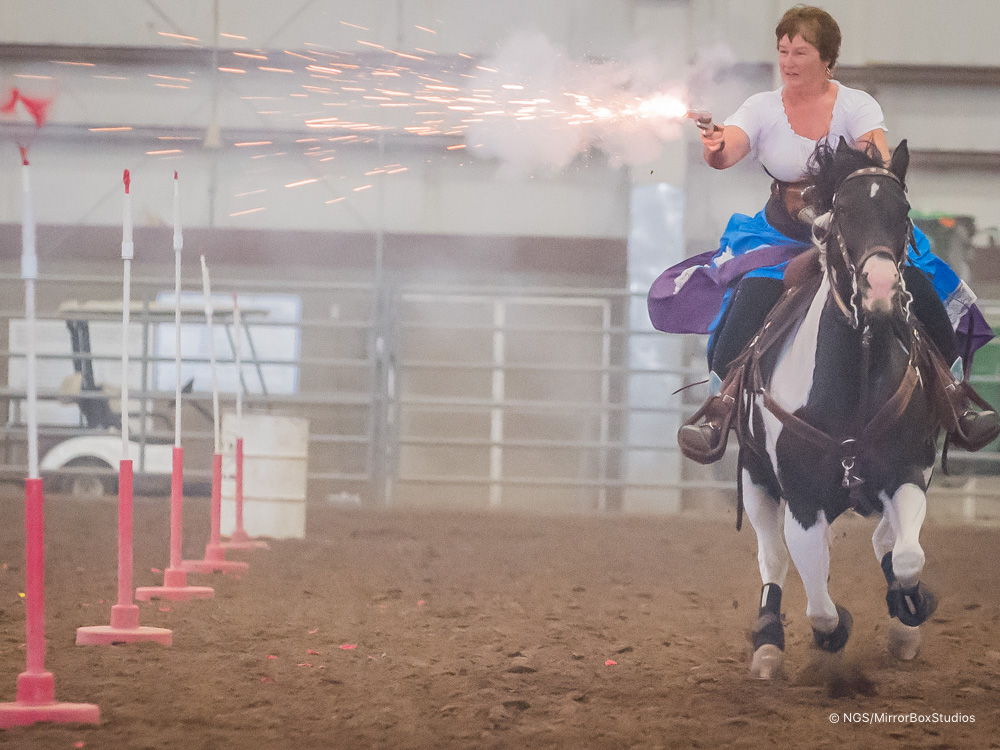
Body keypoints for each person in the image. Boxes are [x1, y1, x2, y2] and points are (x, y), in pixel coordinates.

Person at [647, 4, 999, 461]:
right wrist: (714, 142)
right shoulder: (761, 107)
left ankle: (955, 399)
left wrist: (869, 171)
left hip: (850, 232)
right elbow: (726, 151)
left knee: (917, 285)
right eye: (783, 51)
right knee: (750, 297)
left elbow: (876, 157)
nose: (788, 61)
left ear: (827, 59)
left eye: (800, 52)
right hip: (781, 236)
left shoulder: (856, 105)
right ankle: (720, 407)